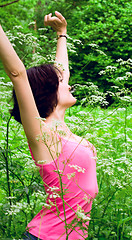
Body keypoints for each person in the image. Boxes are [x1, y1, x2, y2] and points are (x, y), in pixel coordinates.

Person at [0, 11, 98, 240]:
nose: (68, 83)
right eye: (62, 82)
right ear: (48, 92)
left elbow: (62, 70)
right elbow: (18, 74)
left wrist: (62, 34)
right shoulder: (42, 134)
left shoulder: (62, 130)